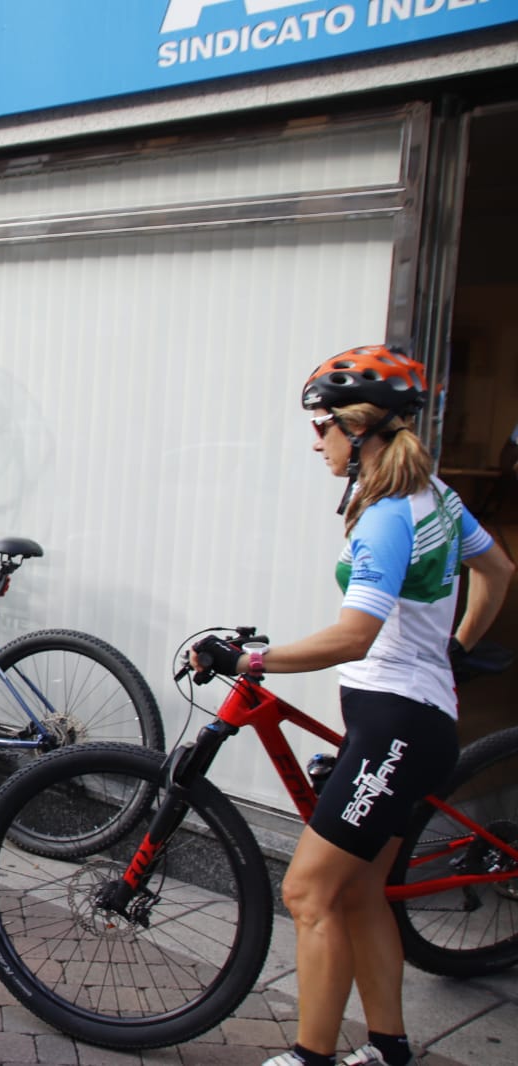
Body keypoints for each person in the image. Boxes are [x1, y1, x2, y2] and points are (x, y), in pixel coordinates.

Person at [188, 346, 514, 1066]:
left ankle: (312, 1056)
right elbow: (498, 570)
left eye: (322, 427)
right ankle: (389, 1049)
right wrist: (453, 646)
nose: (316, 441)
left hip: (395, 726)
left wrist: (250, 661)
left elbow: (353, 634)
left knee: (308, 894)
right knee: (363, 892)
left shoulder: (387, 517)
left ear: (359, 429)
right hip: (411, 720)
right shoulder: (440, 497)